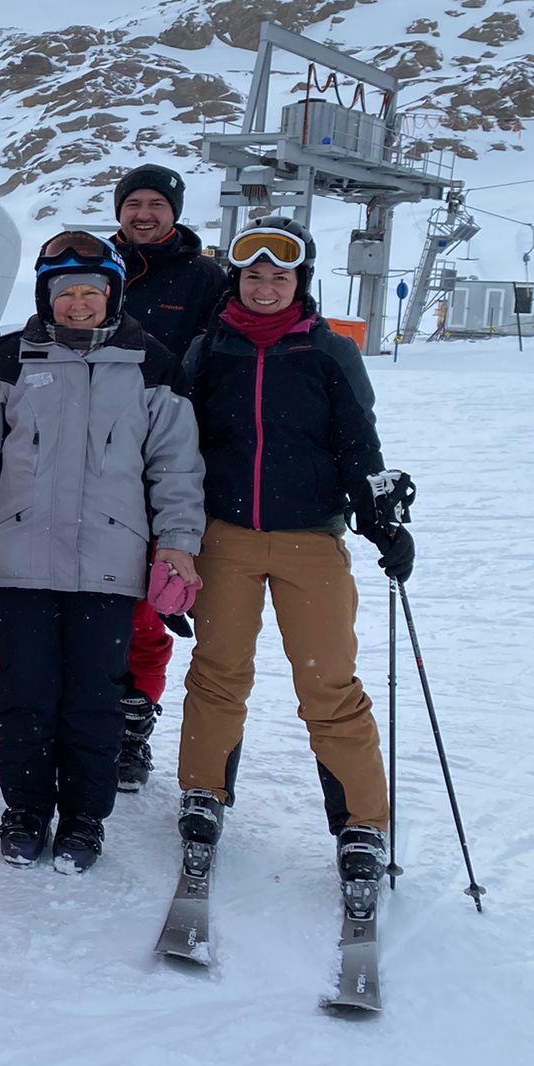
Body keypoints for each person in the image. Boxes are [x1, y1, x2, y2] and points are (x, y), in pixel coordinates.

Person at [0, 231, 204, 873]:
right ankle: (26, 810)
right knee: (25, 691)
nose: (78, 303)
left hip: (110, 561)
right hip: (24, 556)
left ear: (112, 295)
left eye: (92, 291)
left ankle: (85, 817)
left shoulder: (151, 363)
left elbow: (175, 468)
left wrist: (177, 544)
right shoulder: (9, 360)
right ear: (45, 297)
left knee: (94, 696)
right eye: (65, 292)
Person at [173, 217, 413, 887]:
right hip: (226, 537)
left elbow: (358, 443)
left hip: (312, 538)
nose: (265, 287)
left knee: (329, 681)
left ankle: (361, 820)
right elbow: (179, 450)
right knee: (218, 671)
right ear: (236, 280)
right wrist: (173, 540)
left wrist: (381, 521)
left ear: (299, 281)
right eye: (253, 275)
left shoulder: (328, 352)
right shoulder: (208, 351)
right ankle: (203, 792)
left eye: (279, 276)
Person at [108, 163, 228, 789]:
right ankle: (92, 717)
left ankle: (133, 724)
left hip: (170, 453)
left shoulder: (206, 278)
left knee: (148, 605)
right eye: (134, 203)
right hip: (98, 453)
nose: (144, 214)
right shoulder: (100, 263)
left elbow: (221, 362)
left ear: (174, 212)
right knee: (96, 600)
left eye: (157, 204)